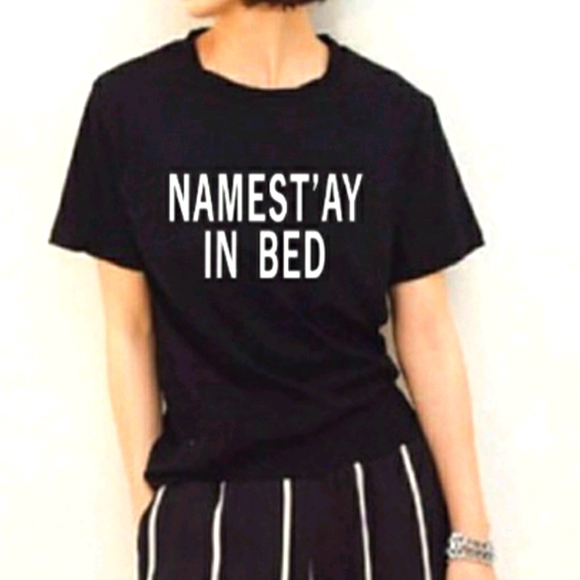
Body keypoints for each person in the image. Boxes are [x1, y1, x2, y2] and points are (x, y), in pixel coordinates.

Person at [47, 1, 497, 579]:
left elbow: (428, 332)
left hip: (377, 495)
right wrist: (153, 517)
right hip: (208, 501)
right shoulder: (129, 110)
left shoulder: (392, 115)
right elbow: (129, 331)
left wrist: (471, 544)